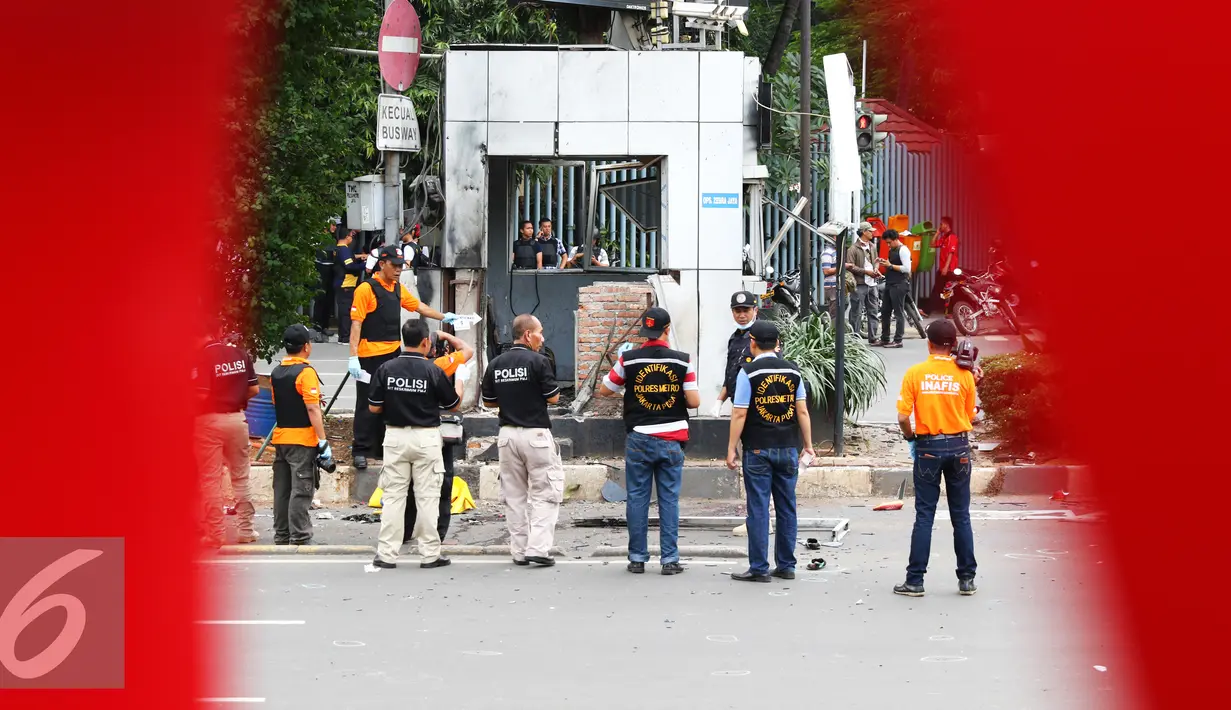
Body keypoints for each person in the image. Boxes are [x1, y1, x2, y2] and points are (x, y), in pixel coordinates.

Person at [597, 307, 700, 576]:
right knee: (669, 500)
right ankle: (669, 560)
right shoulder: (682, 361)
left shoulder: (628, 359)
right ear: (667, 330)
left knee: (637, 498)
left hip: (639, 437)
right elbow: (694, 401)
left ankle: (637, 559)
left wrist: (631, 391)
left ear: (645, 331)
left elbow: (605, 389)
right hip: (672, 438)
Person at [347, 245, 458, 470]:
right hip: (369, 356)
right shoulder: (366, 289)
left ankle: (379, 448)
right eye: (394, 266)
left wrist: (445, 316)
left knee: (390, 402)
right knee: (366, 403)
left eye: (401, 266)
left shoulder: (397, 288)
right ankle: (360, 449)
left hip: (392, 354)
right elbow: (356, 323)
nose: (399, 270)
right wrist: (353, 357)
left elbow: (418, 307)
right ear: (382, 264)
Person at [892, 319, 979, 597]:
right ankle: (966, 579)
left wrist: (910, 438)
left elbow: (903, 416)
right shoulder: (965, 375)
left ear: (928, 344)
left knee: (924, 515)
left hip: (928, 447)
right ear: (952, 345)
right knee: (961, 515)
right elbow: (970, 416)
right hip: (959, 448)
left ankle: (915, 580)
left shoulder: (916, 373)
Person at [368, 320, 462, 570]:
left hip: (395, 438)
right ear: (425, 342)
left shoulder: (386, 368)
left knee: (394, 497)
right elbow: (453, 404)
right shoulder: (433, 371)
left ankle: (386, 554)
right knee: (428, 497)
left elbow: (373, 406)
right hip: (426, 439)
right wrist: (461, 384)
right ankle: (430, 554)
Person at [725, 321, 815, 582]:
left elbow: (740, 412)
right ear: (777, 344)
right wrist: (807, 445)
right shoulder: (793, 370)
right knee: (787, 507)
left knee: (759, 508)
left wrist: (731, 447)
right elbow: (802, 411)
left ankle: (759, 568)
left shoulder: (748, 372)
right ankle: (787, 566)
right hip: (788, 447)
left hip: (758, 447)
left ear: (752, 343)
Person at [480, 314, 564, 567]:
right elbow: (554, 398)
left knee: (514, 496)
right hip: (535, 434)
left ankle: (519, 551)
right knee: (545, 493)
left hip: (506, 436)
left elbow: (489, 401)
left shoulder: (496, 363)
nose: (543, 337)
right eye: (540, 332)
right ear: (528, 335)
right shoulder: (539, 361)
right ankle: (538, 548)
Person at [403, 329, 475, 545]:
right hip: (432, 432)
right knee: (440, 485)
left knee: (406, 487)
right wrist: (460, 381)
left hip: (403, 433)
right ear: (430, 346)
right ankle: (436, 535)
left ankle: (405, 531)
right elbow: (454, 404)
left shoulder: (393, 366)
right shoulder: (439, 366)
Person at [193, 319, 260, 547]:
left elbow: (200, 395)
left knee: (211, 480)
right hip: (237, 419)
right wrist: (235, 400)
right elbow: (254, 389)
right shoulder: (240, 354)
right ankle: (246, 531)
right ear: (219, 333)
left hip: (209, 422)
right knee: (241, 478)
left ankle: (216, 534)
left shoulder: (202, 357)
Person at [270, 324, 333, 546]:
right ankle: (300, 537)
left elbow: (277, 405)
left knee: (282, 490)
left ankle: (282, 535)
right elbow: (312, 408)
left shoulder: (276, 372)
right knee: (301, 490)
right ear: (306, 346)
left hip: (281, 439)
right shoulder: (305, 373)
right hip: (302, 441)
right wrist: (322, 440)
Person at [710, 290, 758, 417]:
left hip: (757, 404)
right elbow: (731, 373)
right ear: (732, 312)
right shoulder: (734, 338)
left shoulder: (762, 336)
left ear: (755, 311)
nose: (741, 315)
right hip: (738, 404)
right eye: (738, 311)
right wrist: (719, 401)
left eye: (746, 310)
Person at [875, 229, 912, 349]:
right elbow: (891, 264)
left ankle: (898, 340)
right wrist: (884, 262)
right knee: (885, 311)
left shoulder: (903, 250)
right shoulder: (892, 250)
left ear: (896, 239)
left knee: (898, 312)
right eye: (887, 243)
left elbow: (907, 268)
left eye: (890, 242)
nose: (888, 245)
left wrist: (890, 265)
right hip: (890, 283)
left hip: (899, 284)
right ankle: (885, 338)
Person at [846, 222, 883, 340]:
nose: (872, 233)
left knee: (873, 311)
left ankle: (873, 337)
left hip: (872, 283)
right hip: (859, 284)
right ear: (863, 232)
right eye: (870, 231)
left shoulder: (872, 246)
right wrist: (866, 272)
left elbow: (876, 260)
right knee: (856, 311)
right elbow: (850, 266)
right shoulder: (853, 249)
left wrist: (876, 268)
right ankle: (855, 337)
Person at [333, 229, 363, 344]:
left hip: (340, 282)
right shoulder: (344, 249)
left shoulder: (337, 248)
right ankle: (345, 337)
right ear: (347, 236)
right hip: (346, 283)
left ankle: (342, 336)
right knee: (346, 311)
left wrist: (359, 257)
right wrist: (363, 265)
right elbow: (349, 266)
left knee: (342, 310)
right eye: (351, 235)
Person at [926, 216, 959, 315]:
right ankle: (932, 311)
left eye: (941, 224)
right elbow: (932, 244)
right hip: (942, 269)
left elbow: (951, 253)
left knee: (947, 291)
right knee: (940, 290)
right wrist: (937, 233)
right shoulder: (944, 238)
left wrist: (946, 268)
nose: (940, 226)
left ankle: (930, 311)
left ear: (946, 225)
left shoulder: (952, 237)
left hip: (949, 270)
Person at [312, 217, 340, 332]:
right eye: (332, 225)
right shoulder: (318, 238)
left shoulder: (334, 238)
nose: (335, 227)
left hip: (331, 270)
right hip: (321, 269)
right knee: (320, 297)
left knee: (329, 298)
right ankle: (317, 324)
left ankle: (325, 325)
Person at [822, 240, 839, 320]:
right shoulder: (827, 253)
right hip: (832, 285)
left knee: (838, 310)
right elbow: (826, 270)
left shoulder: (837, 251)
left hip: (837, 284)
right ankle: (833, 330)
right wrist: (843, 267)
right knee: (834, 311)